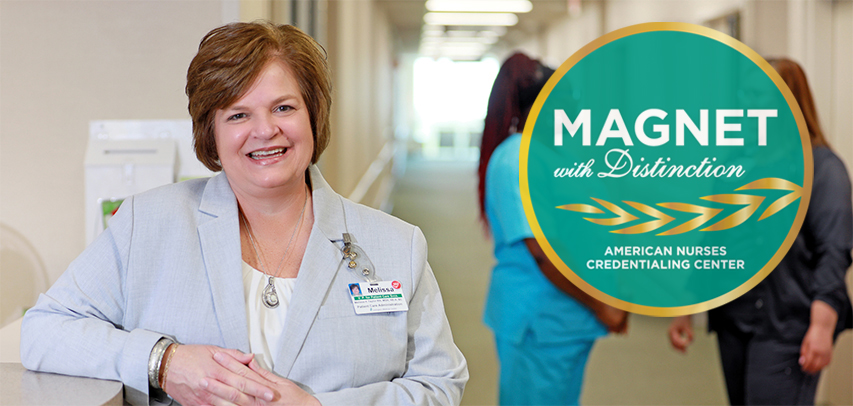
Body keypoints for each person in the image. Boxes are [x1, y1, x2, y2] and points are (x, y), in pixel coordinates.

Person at [21, 21, 467, 406]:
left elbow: (439, 385)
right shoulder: (146, 224)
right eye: (237, 115)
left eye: (283, 107)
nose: (264, 130)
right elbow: (44, 333)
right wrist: (162, 361)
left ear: (313, 115)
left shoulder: (396, 245)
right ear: (210, 132)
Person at [668, 57, 852, 405]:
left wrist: (823, 326)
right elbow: (714, 237)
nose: (743, 104)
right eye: (742, 95)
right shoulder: (734, 164)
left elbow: (834, 251)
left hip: (788, 324)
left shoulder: (823, 169)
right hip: (735, 320)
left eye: (756, 95)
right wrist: (687, 306)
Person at [478, 52, 629, 406]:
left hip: (567, 320)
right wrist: (602, 305)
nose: (575, 113)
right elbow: (544, 253)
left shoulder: (556, 154)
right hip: (541, 321)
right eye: (566, 103)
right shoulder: (516, 158)